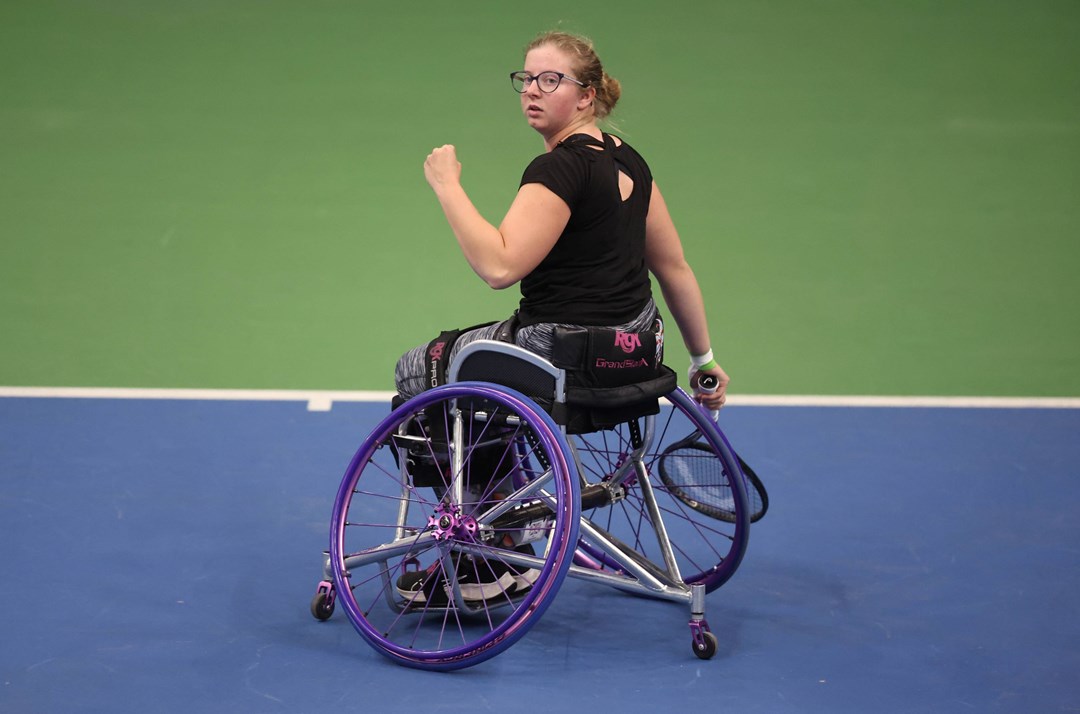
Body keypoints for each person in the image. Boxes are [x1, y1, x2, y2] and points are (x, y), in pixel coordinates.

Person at [394, 30, 729, 412]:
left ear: (586, 96)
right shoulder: (632, 163)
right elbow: (674, 267)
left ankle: (487, 473)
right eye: (527, 79)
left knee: (414, 370)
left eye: (551, 80)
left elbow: (499, 268)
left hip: (563, 355)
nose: (533, 90)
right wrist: (704, 360)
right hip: (636, 355)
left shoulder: (559, 169)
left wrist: (447, 185)